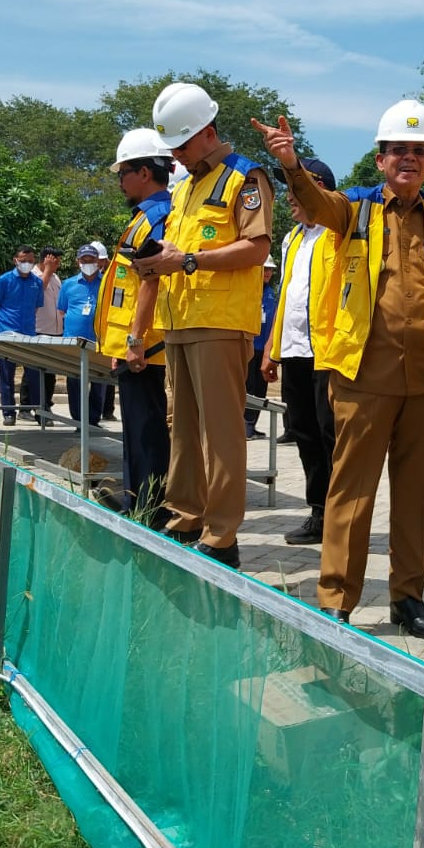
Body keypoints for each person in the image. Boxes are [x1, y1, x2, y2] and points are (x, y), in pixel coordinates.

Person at [254, 101, 424, 641]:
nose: (410, 159)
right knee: (352, 491)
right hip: (363, 376)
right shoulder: (353, 210)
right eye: (399, 149)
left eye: (420, 151)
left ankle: (408, 599)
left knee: (418, 496)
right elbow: (314, 202)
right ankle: (337, 600)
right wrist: (290, 165)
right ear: (379, 160)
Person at [133, 84, 273, 568]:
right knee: (184, 430)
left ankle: (222, 534)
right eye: (171, 147)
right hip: (181, 321)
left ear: (209, 132)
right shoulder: (184, 187)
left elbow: (256, 249)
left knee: (221, 434)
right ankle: (186, 514)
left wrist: (189, 260)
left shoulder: (245, 179)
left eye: (183, 145)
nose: (176, 155)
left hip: (220, 323)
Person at [262, 157, 342, 546]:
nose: (290, 195)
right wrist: (272, 348)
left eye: (298, 187)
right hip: (293, 350)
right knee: (304, 434)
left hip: (328, 353)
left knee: (332, 436)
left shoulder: (339, 234)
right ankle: (318, 512)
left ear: (320, 189)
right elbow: (287, 298)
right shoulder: (292, 238)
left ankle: (340, 516)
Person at [96, 129, 175, 515]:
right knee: (136, 426)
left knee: (147, 429)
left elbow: (152, 280)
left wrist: (135, 339)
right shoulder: (144, 217)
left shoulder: (158, 216)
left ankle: (151, 507)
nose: (120, 181)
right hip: (134, 343)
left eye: (122, 172)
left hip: (146, 345)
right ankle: (135, 499)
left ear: (144, 172)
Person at [0, 245, 45, 427]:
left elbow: (36, 307)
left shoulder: (36, 283)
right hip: (6, 333)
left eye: (30, 261)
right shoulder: (3, 281)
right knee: (7, 375)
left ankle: (39, 411)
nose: (26, 264)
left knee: (34, 375)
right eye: (23, 261)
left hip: (28, 334)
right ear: (15, 260)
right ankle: (8, 413)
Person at [58, 244, 107, 427]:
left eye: (91, 260)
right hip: (73, 340)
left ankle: (93, 420)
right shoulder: (68, 284)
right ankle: (79, 421)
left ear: (98, 262)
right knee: (74, 381)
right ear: (78, 262)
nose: (88, 264)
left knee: (98, 379)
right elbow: (62, 311)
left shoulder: (106, 283)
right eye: (84, 260)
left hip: (98, 340)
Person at [245, 258, 279, 439]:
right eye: (264, 269)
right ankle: (245, 425)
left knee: (260, 389)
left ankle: (252, 425)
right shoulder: (248, 290)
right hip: (250, 346)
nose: (267, 273)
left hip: (265, 350)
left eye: (270, 270)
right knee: (248, 386)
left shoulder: (271, 293)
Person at [35, 248, 65, 417]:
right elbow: (39, 291)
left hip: (55, 330)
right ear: (47, 259)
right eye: (56, 260)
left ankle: (46, 404)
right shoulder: (34, 274)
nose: (58, 264)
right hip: (40, 329)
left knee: (50, 373)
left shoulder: (56, 277)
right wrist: (47, 270)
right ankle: (29, 404)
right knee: (35, 370)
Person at [91, 240, 117, 421]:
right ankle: (98, 411)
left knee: (108, 373)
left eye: (98, 260)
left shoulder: (112, 274)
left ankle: (107, 410)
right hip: (95, 331)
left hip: (110, 331)